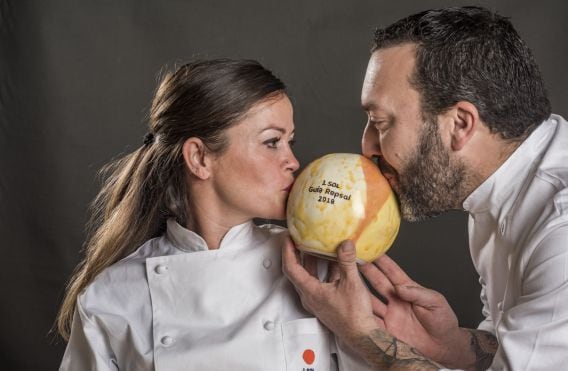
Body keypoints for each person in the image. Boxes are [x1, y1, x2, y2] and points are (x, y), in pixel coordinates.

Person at [283, 6, 568, 371]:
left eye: (380, 122)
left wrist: (361, 335)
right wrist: (451, 345)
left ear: (460, 124)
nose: (367, 146)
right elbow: (522, 344)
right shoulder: (498, 186)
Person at [56, 59, 368, 370]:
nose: (293, 162)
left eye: (290, 142)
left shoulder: (317, 271)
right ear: (200, 158)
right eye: (272, 142)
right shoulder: (111, 299)